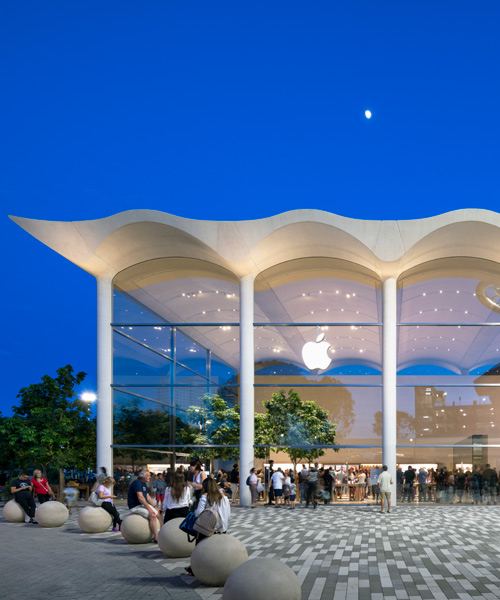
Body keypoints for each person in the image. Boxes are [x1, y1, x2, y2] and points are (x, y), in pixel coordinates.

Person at [127, 469, 162, 542]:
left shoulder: (144, 483)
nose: (150, 477)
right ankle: (156, 537)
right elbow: (141, 497)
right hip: (135, 506)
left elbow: (147, 496)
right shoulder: (137, 483)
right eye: (148, 476)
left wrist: (155, 507)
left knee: (159, 514)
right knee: (152, 516)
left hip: (141, 505)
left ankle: (161, 533)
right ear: (143, 477)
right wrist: (150, 510)